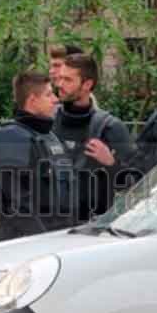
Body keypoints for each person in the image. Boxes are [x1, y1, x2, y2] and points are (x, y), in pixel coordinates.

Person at [0, 72, 77, 240]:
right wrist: (42, 242)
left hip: (59, 239)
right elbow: (17, 204)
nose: (56, 99)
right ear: (32, 100)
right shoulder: (11, 137)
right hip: (29, 244)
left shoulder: (49, 137)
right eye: (48, 94)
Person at [53, 54, 135, 221]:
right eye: (59, 78)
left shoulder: (110, 127)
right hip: (49, 222)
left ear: (87, 84)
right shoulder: (46, 121)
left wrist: (111, 164)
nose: (59, 84)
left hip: (92, 225)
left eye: (68, 80)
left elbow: (134, 183)